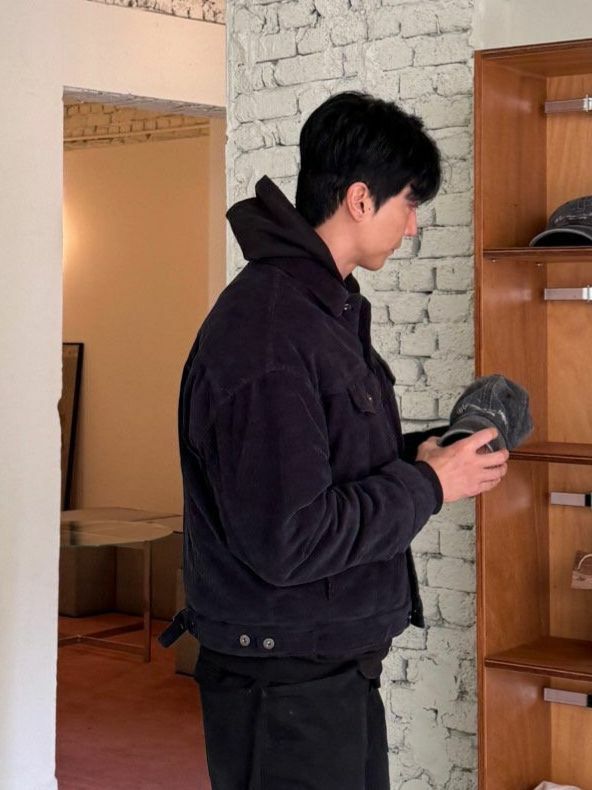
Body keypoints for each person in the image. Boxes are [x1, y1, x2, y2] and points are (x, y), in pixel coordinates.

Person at [163, 91, 509, 790]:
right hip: (282, 689)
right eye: (408, 204)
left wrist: (426, 455)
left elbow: (322, 468)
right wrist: (430, 484)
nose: (412, 226)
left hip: (325, 672)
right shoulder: (269, 333)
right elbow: (289, 537)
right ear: (359, 199)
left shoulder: (317, 313)